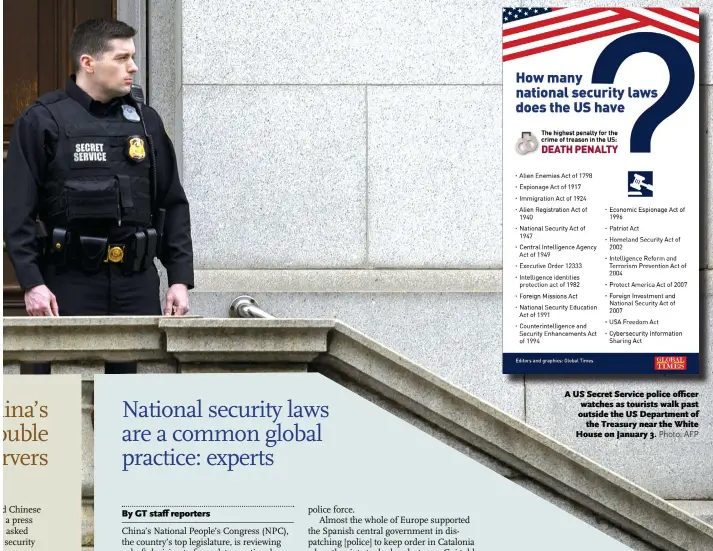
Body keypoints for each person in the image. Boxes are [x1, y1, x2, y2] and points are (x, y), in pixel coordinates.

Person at [3, 18, 194, 374]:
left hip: (136, 284)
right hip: (65, 283)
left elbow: (172, 203)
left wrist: (179, 279)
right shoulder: (42, 120)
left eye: (133, 57)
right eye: (121, 58)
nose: (133, 67)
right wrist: (32, 284)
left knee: (134, 411)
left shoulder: (146, 122)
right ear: (88, 63)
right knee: (57, 407)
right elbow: (17, 214)